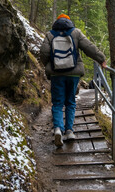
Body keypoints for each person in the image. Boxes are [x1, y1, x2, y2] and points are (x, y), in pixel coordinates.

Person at [40, 14, 107, 147]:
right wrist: (101, 59)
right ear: (69, 21)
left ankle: (58, 129)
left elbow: (44, 53)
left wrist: (49, 66)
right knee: (70, 102)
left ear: (57, 21)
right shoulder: (76, 32)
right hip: (73, 73)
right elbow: (89, 47)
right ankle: (69, 131)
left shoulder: (50, 34)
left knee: (57, 103)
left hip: (56, 73)